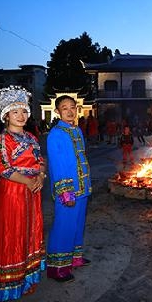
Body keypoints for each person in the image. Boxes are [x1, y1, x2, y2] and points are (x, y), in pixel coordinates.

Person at [0, 86, 46, 299]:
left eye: (24, 111)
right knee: (13, 232)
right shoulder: (3, 139)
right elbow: (3, 168)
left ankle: (28, 275)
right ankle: (10, 283)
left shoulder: (31, 137)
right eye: (15, 112)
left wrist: (40, 176)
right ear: (6, 115)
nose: (21, 116)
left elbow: (40, 160)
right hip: (13, 191)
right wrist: (28, 181)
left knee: (30, 230)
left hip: (33, 190)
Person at [46, 95, 92, 283]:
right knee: (63, 226)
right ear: (57, 111)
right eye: (64, 108)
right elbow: (58, 165)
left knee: (77, 224)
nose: (70, 111)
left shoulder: (77, 130)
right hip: (68, 191)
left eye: (72, 107)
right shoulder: (56, 134)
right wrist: (66, 192)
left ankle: (74, 258)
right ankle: (57, 267)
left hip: (82, 187)